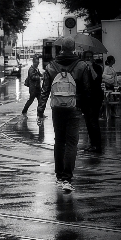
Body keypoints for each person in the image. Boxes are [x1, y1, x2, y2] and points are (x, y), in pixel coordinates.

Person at [37, 36, 91, 193]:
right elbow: (87, 91)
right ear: (73, 48)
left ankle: (59, 176)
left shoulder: (51, 66)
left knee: (59, 141)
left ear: (60, 49)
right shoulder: (81, 66)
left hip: (57, 109)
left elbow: (44, 91)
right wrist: (86, 111)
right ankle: (67, 178)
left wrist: (40, 112)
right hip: (74, 109)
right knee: (72, 143)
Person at [81, 51, 104, 153]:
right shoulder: (82, 68)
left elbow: (97, 80)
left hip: (95, 98)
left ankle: (97, 144)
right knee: (88, 122)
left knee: (94, 121)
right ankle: (92, 143)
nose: (89, 59)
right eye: (87, 57)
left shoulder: (98, 68)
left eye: (90, 57)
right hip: (86, 98)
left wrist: (91, 68)